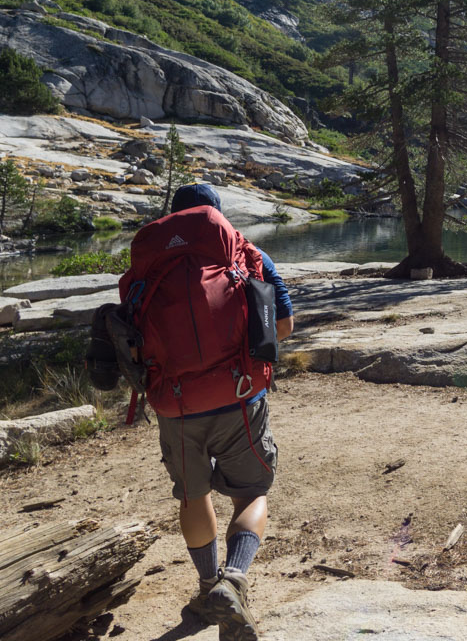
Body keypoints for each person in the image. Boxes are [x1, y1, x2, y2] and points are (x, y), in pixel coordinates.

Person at [158, 183, 294, 640]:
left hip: (175, 405)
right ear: (218, 215)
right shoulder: (246, 252)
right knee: (251, 493)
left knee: (193, 495)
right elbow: (283, 326)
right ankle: (233, 581)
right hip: (239, 398)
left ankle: (207, 587)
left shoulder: (151, 261)